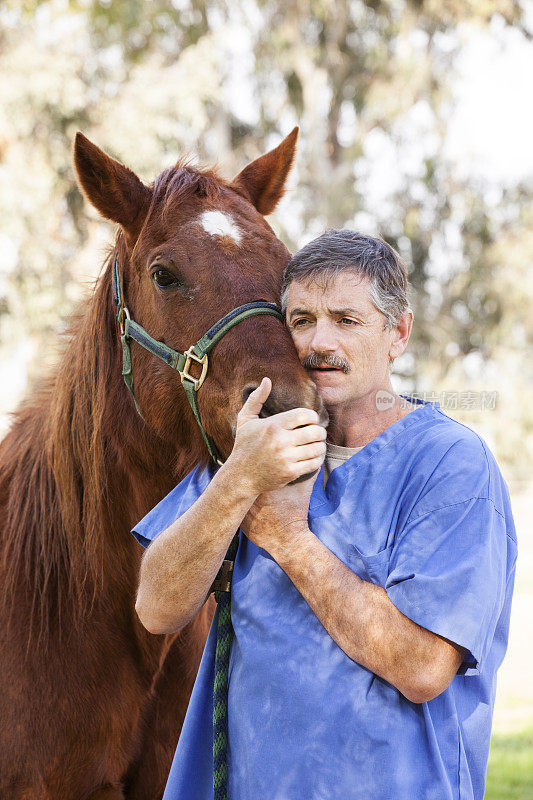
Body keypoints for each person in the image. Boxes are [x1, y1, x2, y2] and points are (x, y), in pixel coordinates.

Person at [133, 230, 517, 800]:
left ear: (398, 334)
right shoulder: (255, 451)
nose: (319, 342)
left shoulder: (450, 466)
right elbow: (157, 607)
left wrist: (286, 538)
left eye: (347, 320)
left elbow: (421, 667)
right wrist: (238, 481)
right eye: (301, 319)